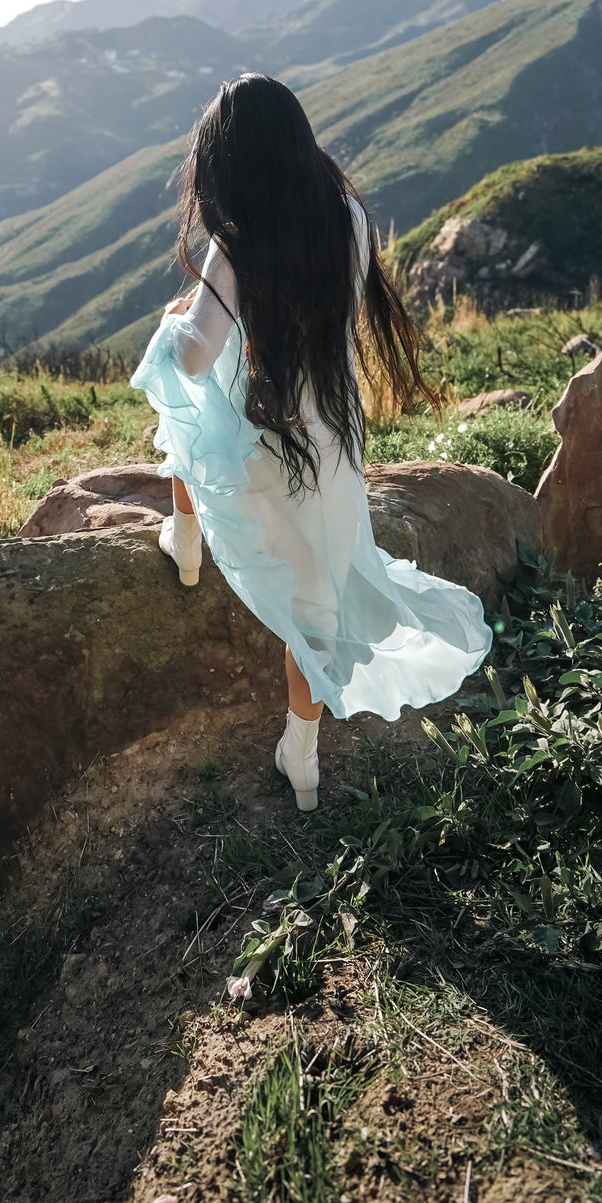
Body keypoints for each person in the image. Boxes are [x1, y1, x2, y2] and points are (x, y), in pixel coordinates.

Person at [131, 74, 493, 811]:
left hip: (259, 447)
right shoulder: (348, 218)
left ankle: (186, 533)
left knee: (182, 396)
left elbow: (194, 360)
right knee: (314, 601)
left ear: (226, 165)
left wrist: (176, 317)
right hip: (328, 436)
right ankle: (301, 752)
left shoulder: (233, 250)